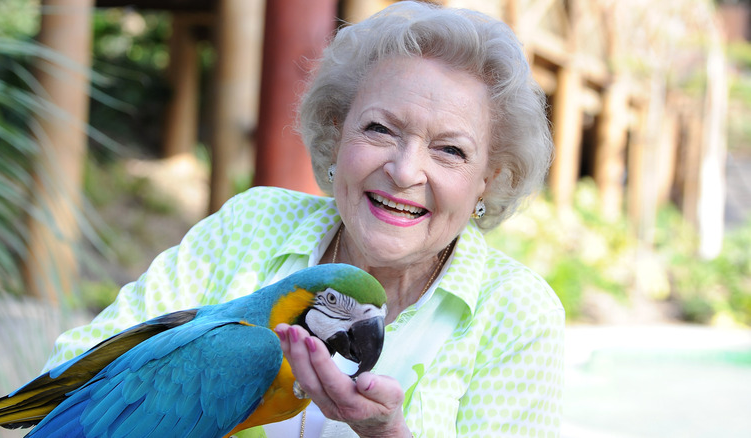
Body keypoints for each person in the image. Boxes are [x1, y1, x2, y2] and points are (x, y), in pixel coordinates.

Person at [43, 1, 564, 437]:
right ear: (337, 134)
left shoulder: (516, 313)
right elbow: (75, 373)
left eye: (450, 150)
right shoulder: (253, 225)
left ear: (489, 180)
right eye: (380, 129)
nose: (405, 171)